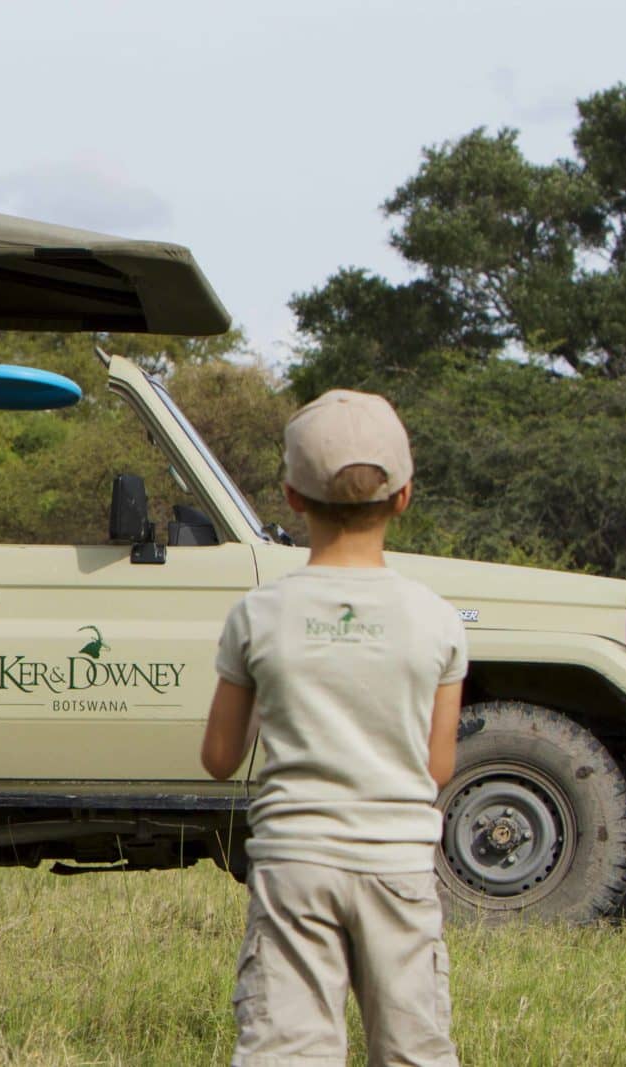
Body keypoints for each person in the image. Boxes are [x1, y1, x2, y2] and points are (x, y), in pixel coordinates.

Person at [200, 389, 466, 1066]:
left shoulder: (257, 613)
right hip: (399, 865)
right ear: (404, 496)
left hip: (295, 864)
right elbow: (438, 769)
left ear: (291, 496)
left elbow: (220, 756)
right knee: (412, 1048)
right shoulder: (435, 618)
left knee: (286, 1049)